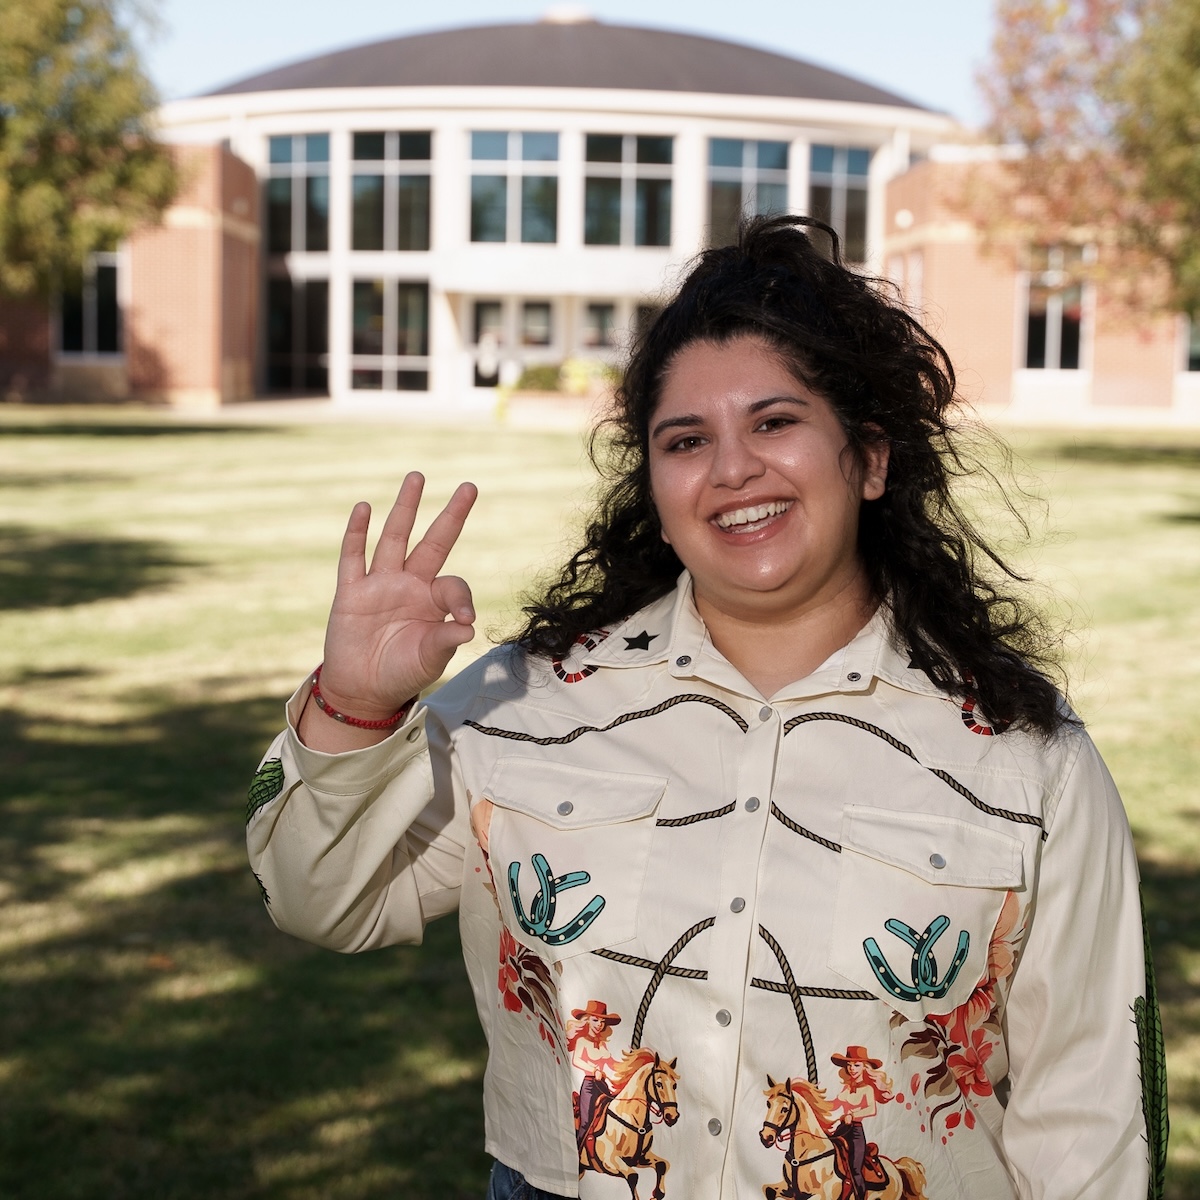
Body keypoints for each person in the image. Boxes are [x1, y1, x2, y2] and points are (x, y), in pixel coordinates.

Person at [246, 215, 1166, 1200]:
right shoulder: (528, 702)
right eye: (687, 440)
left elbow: (1093, 1117)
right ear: (655, 482)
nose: (732, 471)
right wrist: (355, 703)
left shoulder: (1028, 760)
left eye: (775, 423)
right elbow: (316, 898)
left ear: (869, 457)